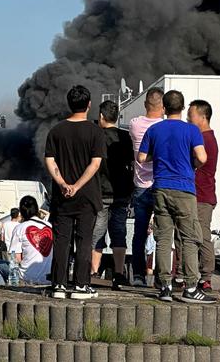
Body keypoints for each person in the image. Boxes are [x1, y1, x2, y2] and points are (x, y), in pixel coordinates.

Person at [138, 90, 215, 304]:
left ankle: (165, 286)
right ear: (182, 108)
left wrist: (159, 156)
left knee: (163, 239)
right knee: (189, 238)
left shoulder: (154, 130)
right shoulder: (191, 130)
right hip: (184, 189)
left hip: (160, 188)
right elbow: (202, 157)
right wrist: (192, 165)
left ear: (164, 107)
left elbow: (142, 157)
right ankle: (191, 287)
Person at [44, 85, 104, 299]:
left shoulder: (56, 131)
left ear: (69, 104)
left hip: (62, 197)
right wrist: (78, 186)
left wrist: (63, 184)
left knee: (62, 240)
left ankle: (58, 285)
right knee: (84, 240)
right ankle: (81, 286)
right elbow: (95, 164)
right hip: (87, 196)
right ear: (89, 105)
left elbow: (49, 160)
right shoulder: (95, 131)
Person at [92, 100, 135, 290]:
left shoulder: (95, 136)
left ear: (101, 116)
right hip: (121, 193)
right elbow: (133, 165)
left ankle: (93, 272)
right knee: (119, 234)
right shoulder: (126, 138)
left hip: (100, 192)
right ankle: (119, 272)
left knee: (97, 233)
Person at [129, 87, 164, 287]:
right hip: (160, 185)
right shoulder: (164, 126)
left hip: (140, 186)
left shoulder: (134, 125)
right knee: (163, 234)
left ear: (145, 105)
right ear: (163, 107)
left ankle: (138, 276)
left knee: (139, 233)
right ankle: (161, 278)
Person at [187, 100, 219, 292]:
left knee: (202, 236)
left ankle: (206, 276)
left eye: (191, 115)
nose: (188, 118)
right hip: (200, 194)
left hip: (202, 196)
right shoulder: (205, 137)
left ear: (202, 117)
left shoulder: (204, 139)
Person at [0, 195, 53, 286]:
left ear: (21, 212)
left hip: (26, 276)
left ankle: (5, 288)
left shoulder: (20, 228)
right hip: (48, 277)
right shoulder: (49, 226)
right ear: (37, 209)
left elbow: (15, 258)